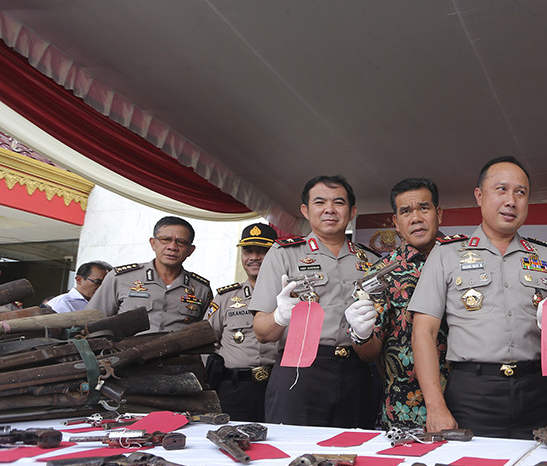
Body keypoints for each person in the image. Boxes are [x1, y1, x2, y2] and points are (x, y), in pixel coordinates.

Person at [409, 156, 547, 439]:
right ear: (479, 196)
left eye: (520, 192)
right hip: (473, 393)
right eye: (501, 189)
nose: (511, 200)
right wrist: (435, 406)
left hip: (537, 390)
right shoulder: (446, 254)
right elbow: (423, 332)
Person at [250, 175, 374, 428]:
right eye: (320, 202)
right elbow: (262, 332)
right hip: (299, 368)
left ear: (352, 211)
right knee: (292, 452)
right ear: (305, 210)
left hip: (356, 369)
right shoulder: (284, 253)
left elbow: (377, 343)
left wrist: (364, 334)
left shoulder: (371, 260)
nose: (329, 209)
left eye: (338, 202)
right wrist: (279, 317)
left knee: (352, 454)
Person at [343, 177, 451, 429]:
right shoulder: (380, 274)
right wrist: (361, 333)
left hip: (472, 398)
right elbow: (369, 352)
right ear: (396, 222)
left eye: (424, 208)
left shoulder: (463, 259)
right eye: (406, 211)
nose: (415, 218)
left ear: (439, 213)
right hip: (407, 410)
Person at [205, 223, 280, 422]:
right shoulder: (225, 298)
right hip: (235, 387)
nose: (254, 257)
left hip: (279, 385)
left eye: (262, 251)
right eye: (248, 251)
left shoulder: (290, 296)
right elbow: (205, 343)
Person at [87, 216, 213, 332]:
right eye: (165, 240)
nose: (172, 247)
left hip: (180, 355)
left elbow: (207, 331)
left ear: (190, 250)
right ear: (153, 243)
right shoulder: (120, 278)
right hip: (128, 355)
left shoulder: (201, 288)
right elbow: (91, 322)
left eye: (181, 242)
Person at [44, 261, 112, 313]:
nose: (102, 287)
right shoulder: (61, 304)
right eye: (98, 282)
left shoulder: (107, 304)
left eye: (106, 284)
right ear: (79, 280)